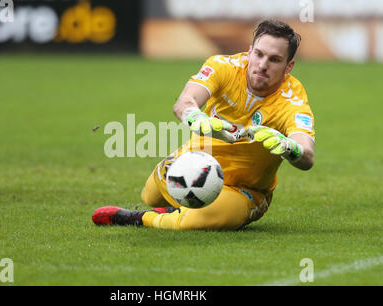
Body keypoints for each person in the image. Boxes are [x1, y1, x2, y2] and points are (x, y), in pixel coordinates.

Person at [92, 19, 315, 230]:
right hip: (195, 163)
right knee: (149, 196)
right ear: (249, 51)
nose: (262, 65)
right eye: (258, 54)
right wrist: (195, 118)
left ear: (289, 66)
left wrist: (289, 147)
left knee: (195, 223)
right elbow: (184, 102)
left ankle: (140, 218)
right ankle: (174, 201)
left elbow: (306, 155)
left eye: (274, 59)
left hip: (245, 189)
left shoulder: (293, 99)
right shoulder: (222, 67)